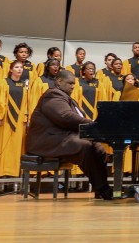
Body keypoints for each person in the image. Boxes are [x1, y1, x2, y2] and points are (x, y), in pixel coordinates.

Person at [25, 69, 112, 200]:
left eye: (74, 84)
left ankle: (102, 187)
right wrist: (92, 124)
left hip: (59, 137)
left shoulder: (66, 97)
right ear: (59, 81)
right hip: (45, 141)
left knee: (97, 148)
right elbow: (64, 116)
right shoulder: (53, 95)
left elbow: (77, 117)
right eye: (69, 83)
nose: (72, 86)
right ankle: (103, 188)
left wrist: (93, 129)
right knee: (85, 146)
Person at [0, 60, 29, 177]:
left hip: (19, 121)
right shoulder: (3, 83)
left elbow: (26, 104)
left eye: (21, 67)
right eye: (16, 67)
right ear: (10, 70)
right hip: (5, 120)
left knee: (15, 147)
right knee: (2, 145)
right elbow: (0, 101)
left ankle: (12, 171)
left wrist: (25, 119)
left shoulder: (24, 86)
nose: (19, 69)